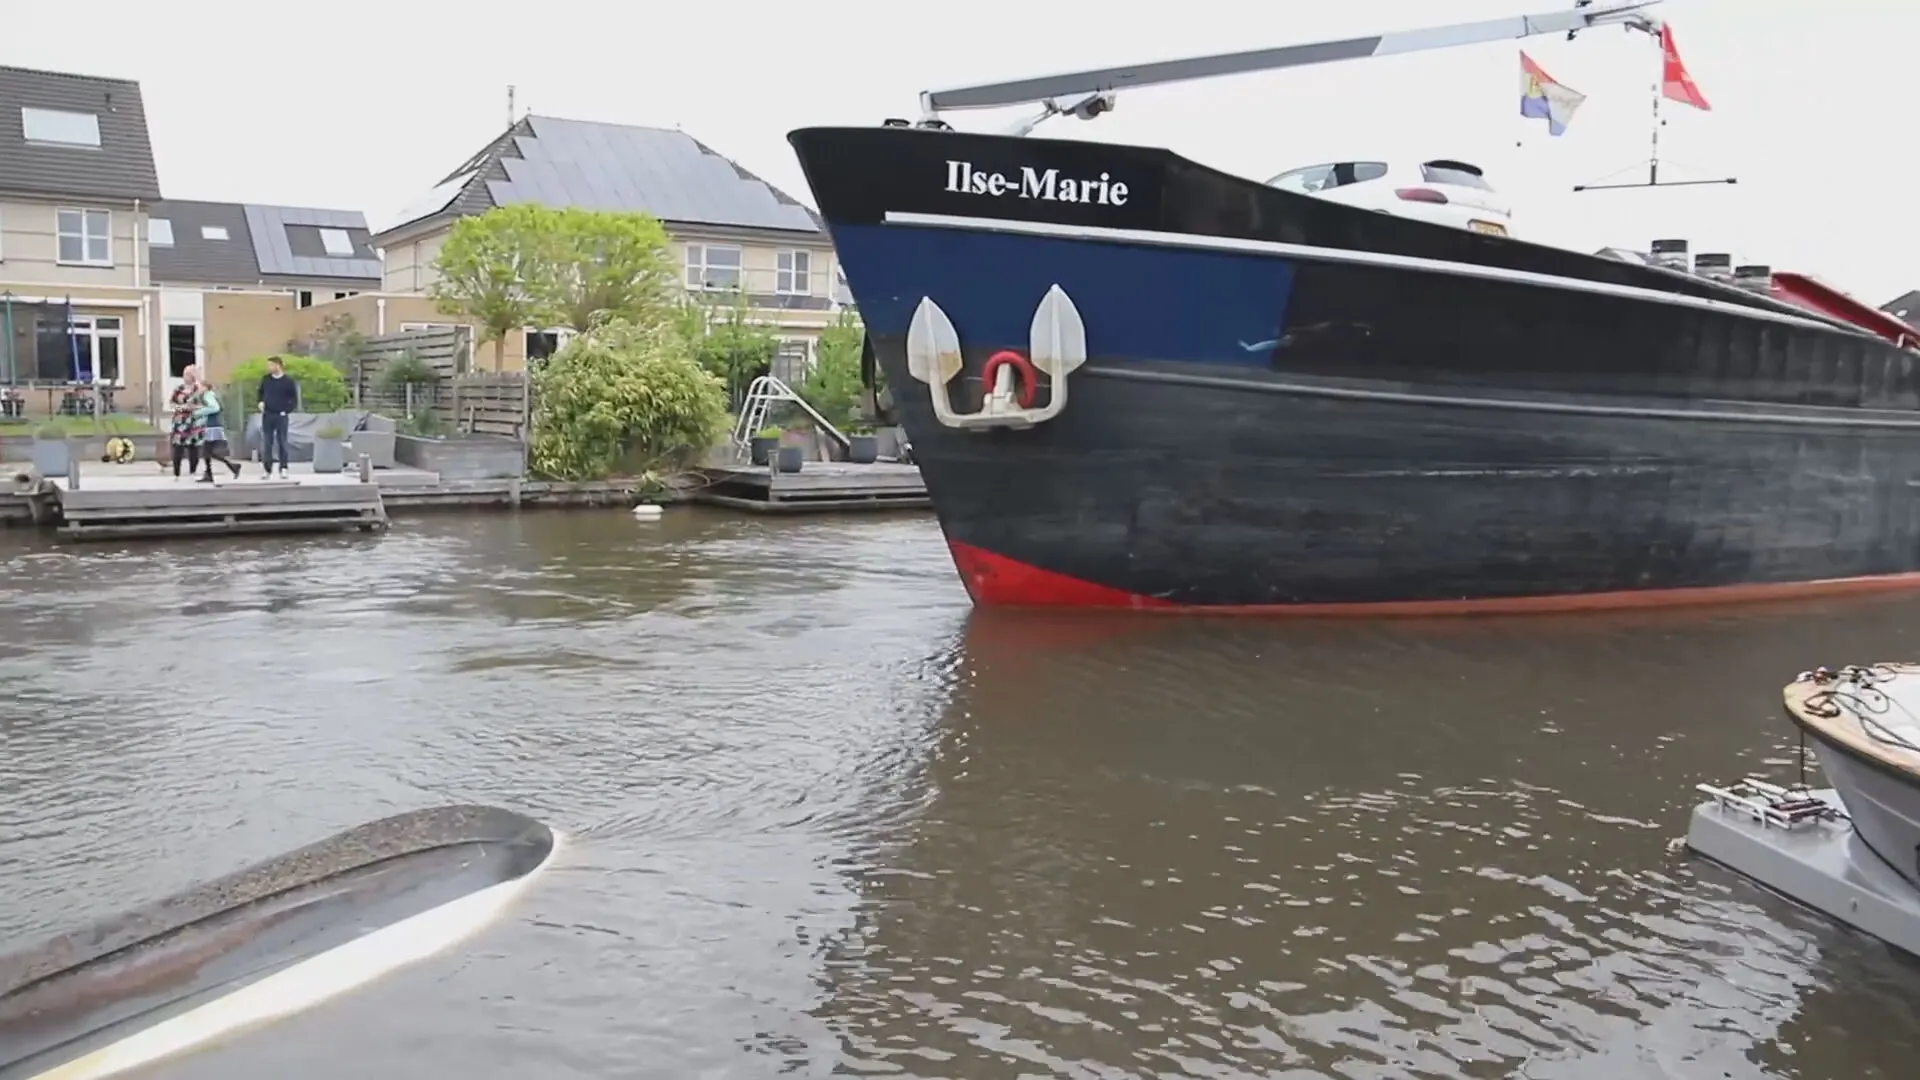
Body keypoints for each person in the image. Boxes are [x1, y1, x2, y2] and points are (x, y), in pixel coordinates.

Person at [194, 383, 244, 483]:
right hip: (212, 426)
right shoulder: (210, 395)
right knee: (207, 452)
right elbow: (211, 413)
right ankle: (212, 473)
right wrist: (198, 422)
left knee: (208, 452)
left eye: (200, 387)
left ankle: (231, 466)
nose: (198, 389)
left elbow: (214, 408)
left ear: (205, 388)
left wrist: (198, 412)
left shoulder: (208, 395)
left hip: (212, 428)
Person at [257, 355, 296, 479]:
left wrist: (287, 410)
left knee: (282, 442)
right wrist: (260, 402)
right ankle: (267, 469)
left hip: (281, 415)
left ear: (278, 365)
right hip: (267, 415)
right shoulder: (266, 379)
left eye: (271, 365)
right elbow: (260, 393)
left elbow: (293, 398)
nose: (268, 367)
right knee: (267, 443)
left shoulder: (288, 381)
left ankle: (283, 468)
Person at [168, 367, 204, 480]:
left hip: (193, 421)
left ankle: (192, 471)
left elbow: (204, 403)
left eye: (188, 374)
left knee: (193, 447)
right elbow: (172, 402)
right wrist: (179, 407)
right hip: (180, 421)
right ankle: (176, 473)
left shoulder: (198, 390)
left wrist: (194, 408)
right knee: (177, 447)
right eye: (184, 374)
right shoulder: (179, 389)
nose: (185, 377)